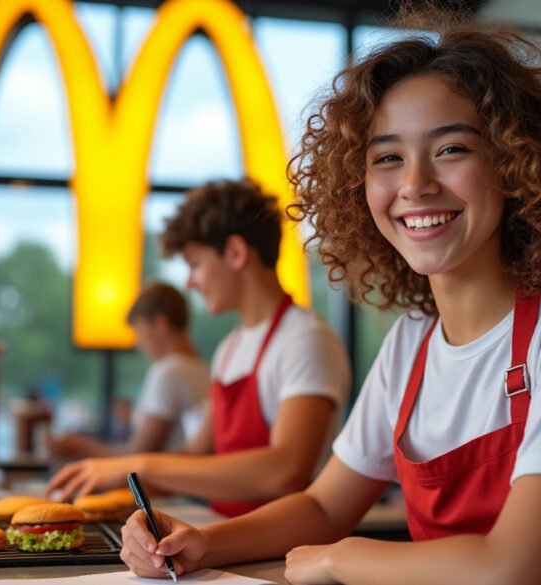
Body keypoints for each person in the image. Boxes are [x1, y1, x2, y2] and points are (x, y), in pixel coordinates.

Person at [119, 23, 541, 585]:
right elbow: (323, 507)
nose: (415, 185)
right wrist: (199, 542)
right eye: (388, 158)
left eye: (450, 149)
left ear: (515, 165)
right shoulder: (413, 341)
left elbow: (519, 568)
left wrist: (338, 556)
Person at [46, 179, 352, 518]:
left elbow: (285, 471)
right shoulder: (229, 348)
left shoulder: (307, 340)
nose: (190, 282)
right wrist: (116, 477)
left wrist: (139, 465)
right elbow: (199, 452)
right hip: (225, 536)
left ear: (235, 253)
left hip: (286, 553)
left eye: (194, 263)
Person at [46, 282, 209, 458]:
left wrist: (81, 446)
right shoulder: (204, 369)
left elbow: (139, 455)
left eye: (139, 331)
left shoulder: (168, 371)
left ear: (160, 323)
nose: (138, 343)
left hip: (161, 483)